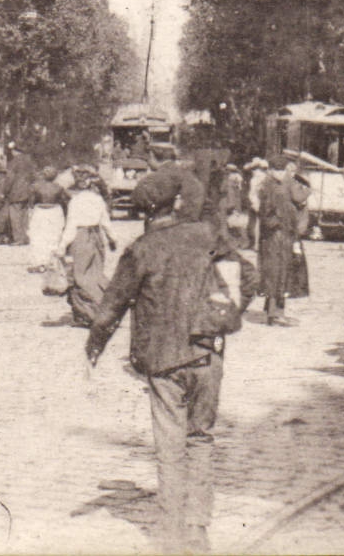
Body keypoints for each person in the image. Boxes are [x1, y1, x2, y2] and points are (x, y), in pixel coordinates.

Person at [85, 167, 254, 555]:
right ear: (177, 203)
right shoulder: (206, 235)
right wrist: (225, 316)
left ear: (146, 211)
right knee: (201, 440)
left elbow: (110, 307)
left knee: (170, 446)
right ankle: (197, 529)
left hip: (162, 362)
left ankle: (171, 533)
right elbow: (250, 276)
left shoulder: (141, 249)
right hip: (207, 354)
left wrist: (93, 347)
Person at [59, 166, 118, 326]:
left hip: (81, 237)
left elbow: (71, 225)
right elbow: (106, 222)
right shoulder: (98, 200)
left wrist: (62, 246)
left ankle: (89, 313)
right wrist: (112, 239)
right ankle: (102, 310)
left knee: (81, 277)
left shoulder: (75, 201)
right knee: (96, 274)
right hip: (97, 237)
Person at [257, 157, 309, 326]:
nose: (282, 174)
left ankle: (273, 311)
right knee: (279, 273)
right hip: (279, 234)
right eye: (280, 170)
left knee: (277, 272)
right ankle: (275, 313)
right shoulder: (277, 185)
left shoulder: (270, 184)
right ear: (272, 170)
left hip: (276, 234)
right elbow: (298, 198)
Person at [26, 166, 69, 273]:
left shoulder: (35, 187)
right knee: (54, 237)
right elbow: (64, 202)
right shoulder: (59, 187)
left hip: (40, 212)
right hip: (55, 212)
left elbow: (31, 202)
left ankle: (39, 262)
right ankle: (53, 262)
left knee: (38, 237)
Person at [1, 144, 39, 247]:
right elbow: (35, 177)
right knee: (24, 215)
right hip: (28, 192)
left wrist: (4, 191)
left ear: (14, 151)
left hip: (16, 192)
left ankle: (18, 239)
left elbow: (10, 179)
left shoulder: (14, 162)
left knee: (15, 216)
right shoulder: (30, 162)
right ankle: (25, 237)